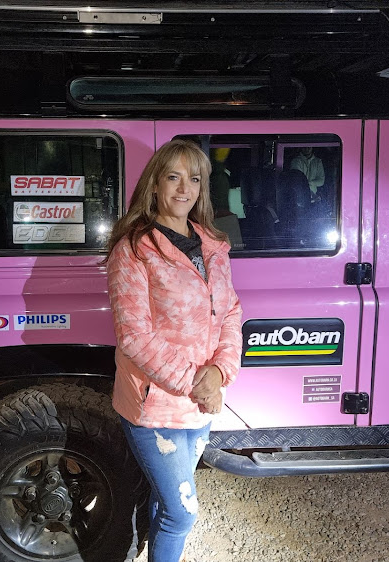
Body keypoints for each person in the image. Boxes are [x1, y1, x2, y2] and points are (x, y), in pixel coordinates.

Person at [105, 139, 243, 562]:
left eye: (195, 179)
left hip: (197, 406)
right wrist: (196, 384)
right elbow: (133, 336)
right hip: (155, 408)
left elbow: (231, 313)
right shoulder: (133, 249)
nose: (185, 188)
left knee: (166, 503)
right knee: (182, 513)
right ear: (154, 185)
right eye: (173, 177)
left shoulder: (213, 245)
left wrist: (219, 374)